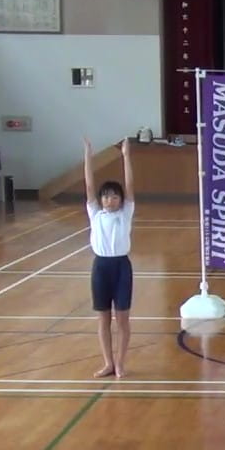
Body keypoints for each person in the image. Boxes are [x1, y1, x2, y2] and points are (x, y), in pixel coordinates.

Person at [84, 137, 136, 379]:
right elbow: (88, 184)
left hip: (121, 267)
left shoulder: (125, 213)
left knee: (122, 319)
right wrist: (88, 155)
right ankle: (108, 363)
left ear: (121, 200)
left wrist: (126, 156)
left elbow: (130, 184)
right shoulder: (95, 213)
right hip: (101, 267)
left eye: (114, 197)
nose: (109, 200)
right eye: (105, 196)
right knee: (103, 319)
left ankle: (121, 363)